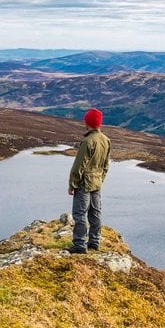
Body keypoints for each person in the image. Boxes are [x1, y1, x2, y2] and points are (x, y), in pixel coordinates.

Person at [68, 108, 111, 254]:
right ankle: (94, 242)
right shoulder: (106, 140)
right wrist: (100, 179)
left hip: (84, 184)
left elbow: (79, 165)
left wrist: (73, 184)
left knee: (80, 214)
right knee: (95, 213)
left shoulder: (88, 141)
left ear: (88, 122)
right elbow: (106, 165)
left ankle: (79, 245)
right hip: (97, 183)